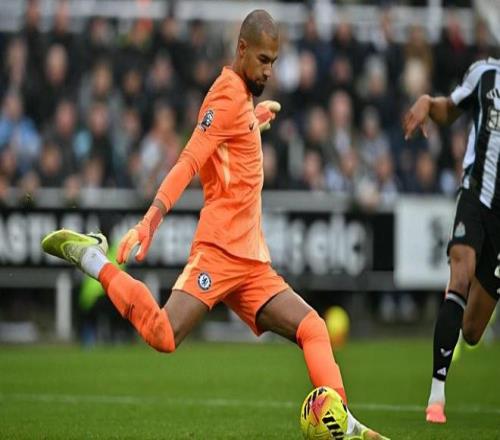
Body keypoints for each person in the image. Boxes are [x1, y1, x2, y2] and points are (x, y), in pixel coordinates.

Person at [42, 10, 388, 439]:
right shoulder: (225, 97)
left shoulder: (241, 100)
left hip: (251, 261)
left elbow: (231, 141)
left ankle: (342, 423)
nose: (269, 70)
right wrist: (150, 221)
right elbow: (189, 161)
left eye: (274, 61)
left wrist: (253, 122)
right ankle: (93, 258)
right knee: (163, 334)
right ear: (241, 49)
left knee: (313, 327)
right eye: (263, 59)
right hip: (220, 250)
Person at [404, 57, 500, 424]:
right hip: (475, 195)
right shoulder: (485, 74)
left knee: (472, 331)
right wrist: (428, 103)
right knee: (460, 274)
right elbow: (450, 108)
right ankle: (436, 396)